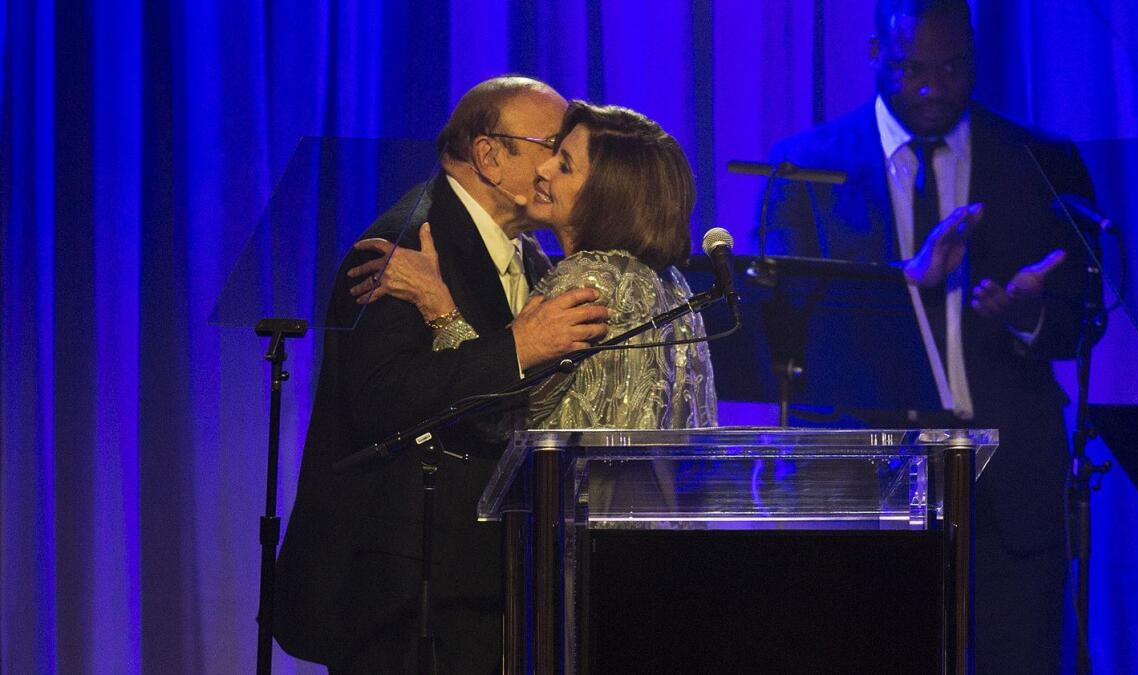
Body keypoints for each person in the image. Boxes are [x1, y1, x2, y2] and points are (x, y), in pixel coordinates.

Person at [764, 1, 1096, 672]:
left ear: (974, 57)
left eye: (952, 69)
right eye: (913, 68)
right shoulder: (805, 163)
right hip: (863, 473)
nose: (933, 88)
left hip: (1008, 483)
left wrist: (1025, 313)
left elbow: (1085, 314)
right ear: (873, 55)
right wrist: (905, 280)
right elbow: (780, 324)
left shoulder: (1041, 159)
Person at [274, 76, 610, 674]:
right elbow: (381, 399)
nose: (557, 169)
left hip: (476, 580)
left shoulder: (530, 254)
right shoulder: (403, 246)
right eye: (551, 147)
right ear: (489, 154)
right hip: (402, 587)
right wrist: (517, 347)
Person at [356, 101, 718, 433]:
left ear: (605, 192)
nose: (542, 170)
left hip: (577, 502)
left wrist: (438, 306)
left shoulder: (587, 279)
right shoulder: (670, 282)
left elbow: (500, 422)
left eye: (563, 164)